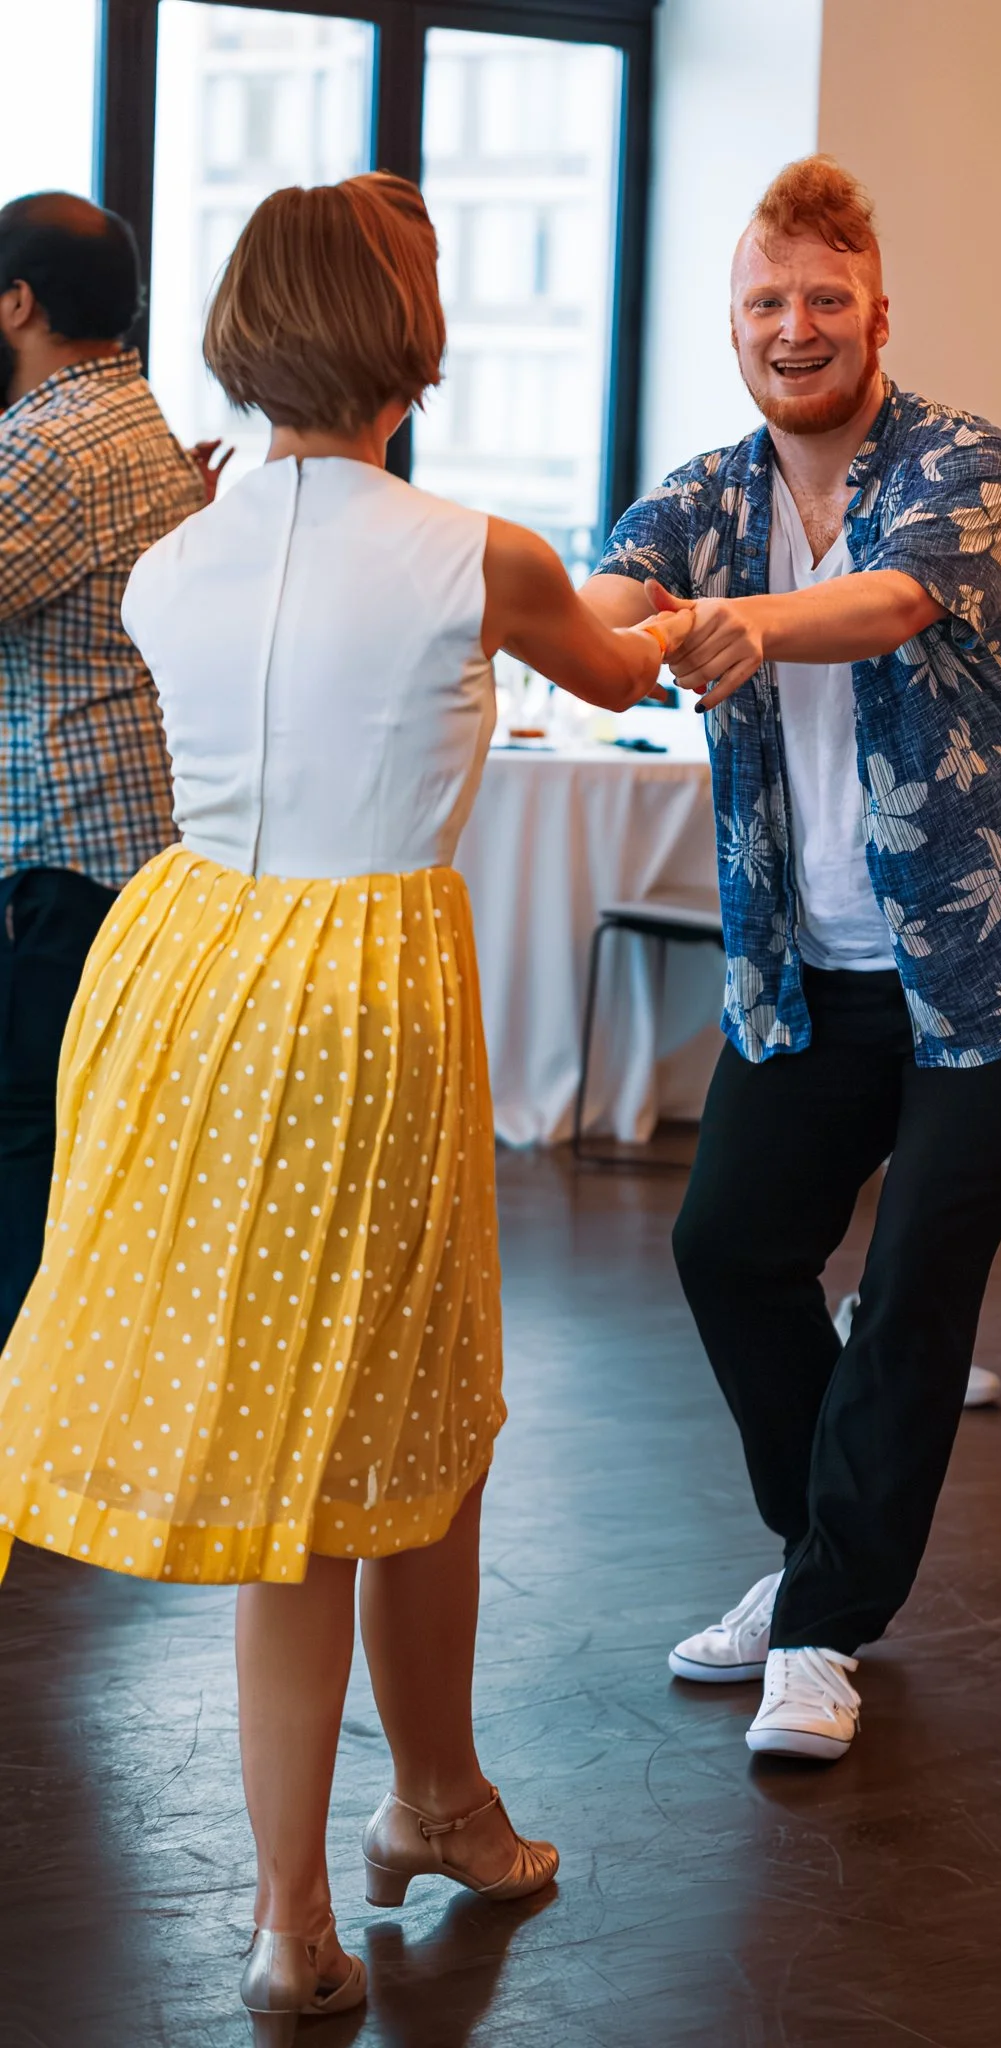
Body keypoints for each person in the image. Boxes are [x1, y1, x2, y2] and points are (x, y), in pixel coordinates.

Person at [0, 174, 688, 2039]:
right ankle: (308, 1897)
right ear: (402, 335)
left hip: (186, 964)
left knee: (355, 1421)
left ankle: (407, 1817)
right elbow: (614, 664)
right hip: (360, 988)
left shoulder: (171, 560)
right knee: (368, 1424)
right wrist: (671, 612)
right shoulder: (480, 553)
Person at [582, 157, 1001, 1765]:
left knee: (907, 1286)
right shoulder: (707, 494)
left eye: (825, 298)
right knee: (728, 1249)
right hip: (813, 959)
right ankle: (815, 1556)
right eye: (765, 301)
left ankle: (819, 1628)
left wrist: (744, 624)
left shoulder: (963, 460)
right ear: (732, 327)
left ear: (876, 317)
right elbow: (615, 596)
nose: (794, 326)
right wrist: (589, 625)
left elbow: (894, 601)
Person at [0, 191, 204, 1346]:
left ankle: (23, 1400)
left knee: (25, 1135)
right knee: (79, 1138)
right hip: (128, 840)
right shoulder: (138, 415)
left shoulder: (42, 447)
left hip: (54, 850)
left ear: (18, 304)